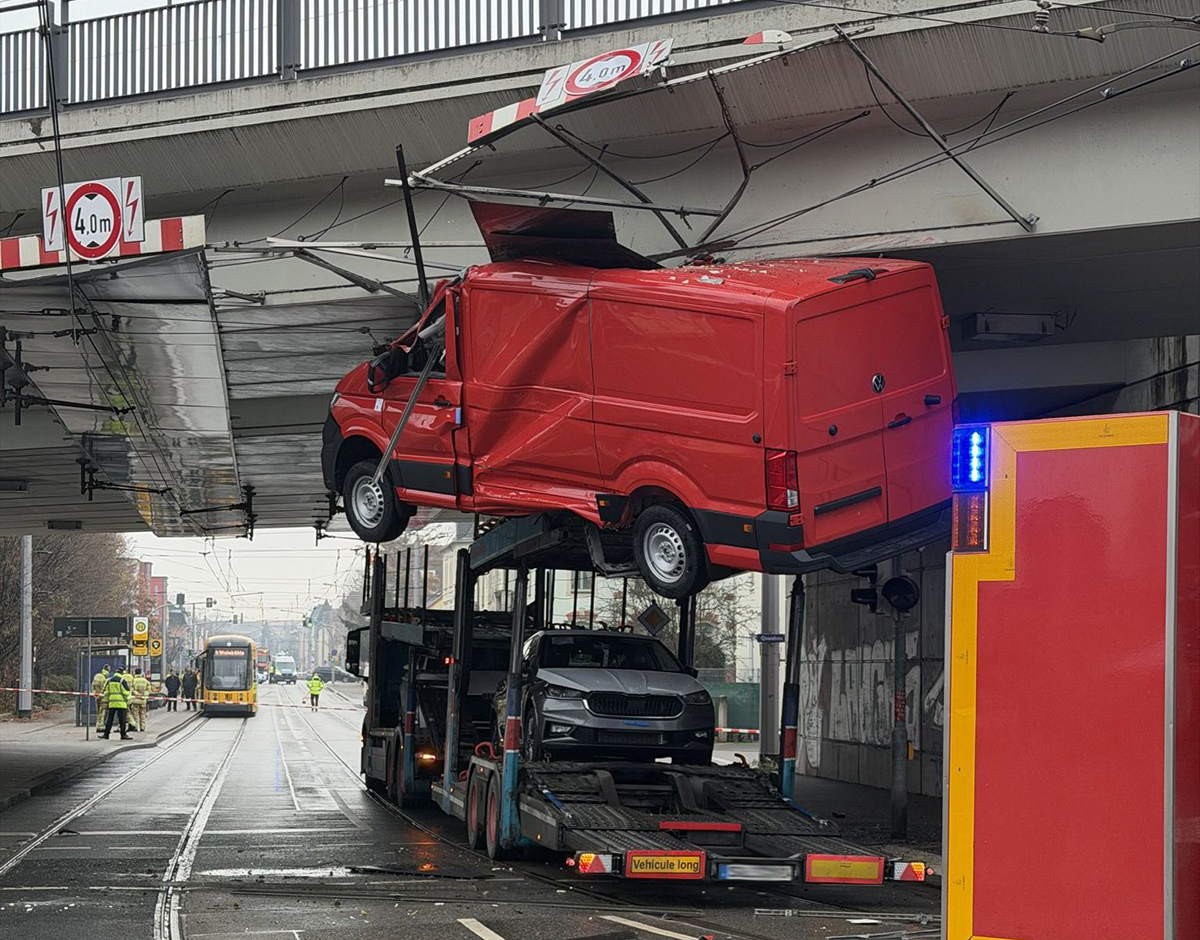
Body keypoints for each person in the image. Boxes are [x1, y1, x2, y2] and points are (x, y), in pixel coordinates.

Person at [101, 668, 132, 740]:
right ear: (122, 673)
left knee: (110, 719)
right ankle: (123, 735)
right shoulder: (122, 681)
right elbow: (126, 692)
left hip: (112, 703)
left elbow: (107, 691)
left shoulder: (110, 680)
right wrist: (127, 698)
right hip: (121, 704)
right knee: (122, 720)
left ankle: (106, 734)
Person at [129, 667, 150, 732]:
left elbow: (131, 689)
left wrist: (137, 694)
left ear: (135, 673)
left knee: (135, 714)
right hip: (143, 700)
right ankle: (142, 727)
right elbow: (148, 689)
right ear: (141, 673)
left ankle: (135, 726)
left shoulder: (133, 680)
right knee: (142, 714)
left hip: (135, 700)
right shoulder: (145, 681)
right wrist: (144, 695)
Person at [91, 664, 110, 732]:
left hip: (96, 697)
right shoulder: (106, 678)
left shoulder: (97, 676)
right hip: (104, 698)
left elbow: (92, 686)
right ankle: (101, 726)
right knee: (103, 713)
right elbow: (105, 688)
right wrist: (101, 694)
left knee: (98, 712)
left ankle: (97, 725)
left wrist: (95, 694)